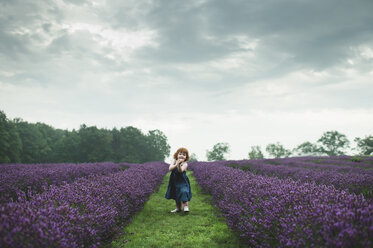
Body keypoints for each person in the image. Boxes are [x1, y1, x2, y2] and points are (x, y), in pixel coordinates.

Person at [165, 147, 192, 213]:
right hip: (174, 179)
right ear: (177, 155)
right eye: (180, 154)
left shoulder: (185, 164)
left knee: (183, 191)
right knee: (176, 192)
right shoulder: (174, 161)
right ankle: (178, 208)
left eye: (184, 154)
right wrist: (176, 164)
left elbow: (180, 171)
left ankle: (185, 206)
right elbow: (170, 168)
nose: (182, 155)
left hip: (182, 180)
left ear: (186, 157)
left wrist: (179, 165)